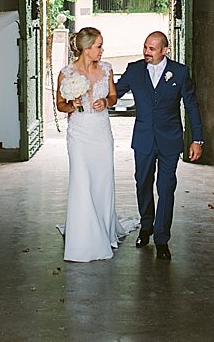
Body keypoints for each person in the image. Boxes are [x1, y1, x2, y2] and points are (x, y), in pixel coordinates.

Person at [113, 31, 203, 260]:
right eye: (145, 47)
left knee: (166, 187)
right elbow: (114, 94)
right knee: (143, 183)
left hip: (170, 140)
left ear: (165, 50)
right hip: (143, 139)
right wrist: (92, 91)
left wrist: (197, 139)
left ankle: (162, 238)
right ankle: (146, 226)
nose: (146, 52)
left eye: (152, 49)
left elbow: (191, 106)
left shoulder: (180, 72)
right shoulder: (134, 70)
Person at [56, 27, 136, 261]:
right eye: (99, 46)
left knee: (102, 181)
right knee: (81, 181)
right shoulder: (66, 73)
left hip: (101, 133)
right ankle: (82, 237)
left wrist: (105, 102)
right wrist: (73, 105)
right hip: (79, 133)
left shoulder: (107, 69)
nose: (102, 50)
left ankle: (103, 228)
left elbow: (113, 96)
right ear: (86, 48)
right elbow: (60, 104)